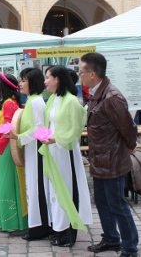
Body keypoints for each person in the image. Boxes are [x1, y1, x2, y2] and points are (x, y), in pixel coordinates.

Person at [80, 53, 139, 257]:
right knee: (103, 202)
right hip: (99, 159)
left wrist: (131, 145)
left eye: (82, 71)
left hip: (112, 161)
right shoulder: (96, 93)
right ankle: (111, 238)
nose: (80, 76)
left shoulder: (112, 97)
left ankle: (130, 246)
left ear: (93, 74)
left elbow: (128, 127)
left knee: (117, 204)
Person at [39, 65, 92, 247]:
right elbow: (49, 123)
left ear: (58, 79)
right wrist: (45, 135)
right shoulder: (53, 99)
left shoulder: (71, 101)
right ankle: (58, 228)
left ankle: (68, 233)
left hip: (65, 151)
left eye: (48, 77)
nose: (45, 81)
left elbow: (75, 130)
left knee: (67, 189)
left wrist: (56, 139)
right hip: (52, 149)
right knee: (55, 191)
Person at [5, 67, 50, 240]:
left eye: (23, 80)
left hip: (37, 149)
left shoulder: (37, 101)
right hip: (31, 148)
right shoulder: (32, 100)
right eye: (20, 80)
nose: (20, 84)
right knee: (32, 187)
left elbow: (39, 128)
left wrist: (18, 136)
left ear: (33, 82)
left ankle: (39, 228)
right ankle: (35, 226)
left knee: (37, 187)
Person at [0, 73, 26, 232]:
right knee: (8, 183)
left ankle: (11, 222)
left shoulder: (8, 104)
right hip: (8, 147)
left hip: (6, 148)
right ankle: (12, 220)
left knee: (6, 184)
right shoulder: (13, 102)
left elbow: (9, 130)